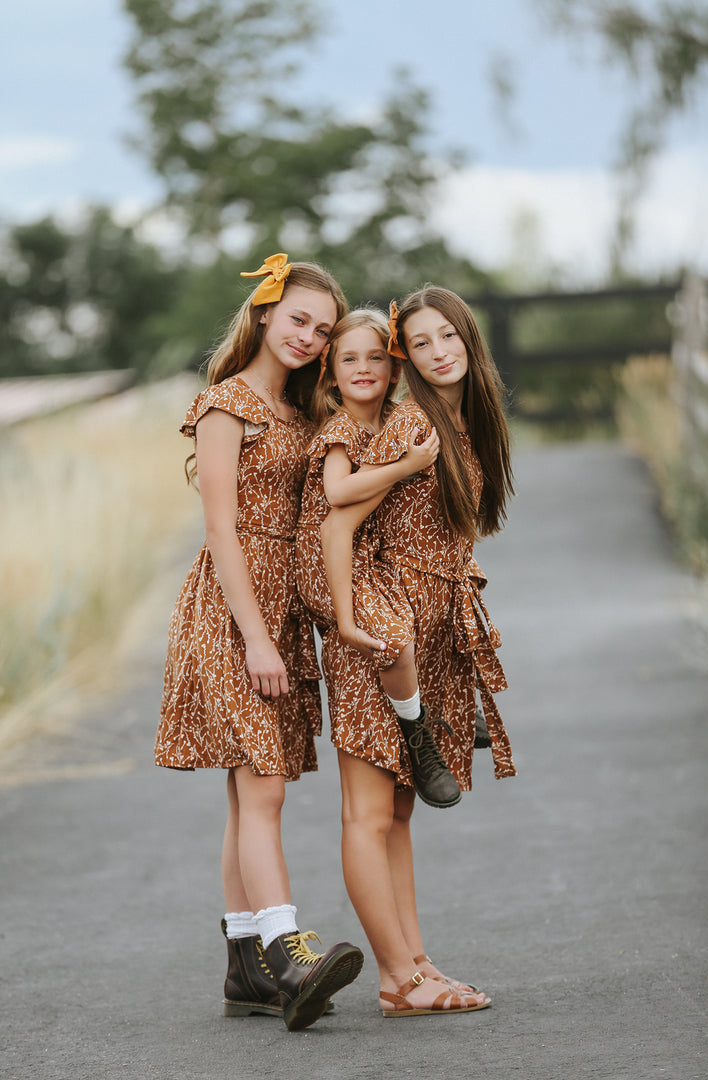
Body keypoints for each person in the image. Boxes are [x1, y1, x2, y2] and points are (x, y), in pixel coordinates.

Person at [154, 254, 364, 1033]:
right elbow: (220, 529)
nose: (309, 337)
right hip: (229, 609)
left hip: (281, 614)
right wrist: (256, 639)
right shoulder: (225, 405)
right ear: (266, 313)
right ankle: (288, 949)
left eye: (323, 328)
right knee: (266, 784)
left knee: (249, 791)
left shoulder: (305, 413)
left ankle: (244, 964)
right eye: (299, 319)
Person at [319, 286, 517, 1017]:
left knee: (399, 814)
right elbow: (338, 525)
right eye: (423, 342)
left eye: (449, 339)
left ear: (469, 341)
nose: (438, 353)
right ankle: (398, 979)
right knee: (369, 814)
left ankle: (414, 967)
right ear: (408, 353)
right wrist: (345, 622)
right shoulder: (408, 429)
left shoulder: (461, 429)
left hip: (430, 633)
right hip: (376, 629)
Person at [296, 308, 459, 808]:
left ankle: (446, 699)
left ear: (395, 368)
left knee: (436, 603)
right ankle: (418, 731)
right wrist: (406, 465)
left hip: (371, 559)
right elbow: (340, 493)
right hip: (328, 564)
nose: (363, 367)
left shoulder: (394, 421)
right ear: (330, 370)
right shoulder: (338, 429)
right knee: (391, 636)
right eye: (349, 358)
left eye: (375, 357)